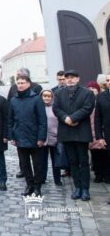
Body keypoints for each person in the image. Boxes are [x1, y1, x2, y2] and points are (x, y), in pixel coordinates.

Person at [53, 70, 94, 201]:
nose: (69, 80)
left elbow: (88, 108)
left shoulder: (87, 92)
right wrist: (65, 118)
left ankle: (85, 189)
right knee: (72, 162)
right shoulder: (59, 93)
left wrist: (73, 118)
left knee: (83, 161)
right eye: (67, 78)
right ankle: (77, 188)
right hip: (66, 131)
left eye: (72, 77)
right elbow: (56, 108)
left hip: (81, 130)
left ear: (78, 79)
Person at [9, 75, 47, 196]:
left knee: (38, 164)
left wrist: (41, 138)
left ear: (29, 84)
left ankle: (37, 187)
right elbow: (10, 120)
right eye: (18, 83)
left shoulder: (36, 99)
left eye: (22, 83)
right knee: (25, 165)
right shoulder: (13, 100)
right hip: (20, 138)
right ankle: (29, 185)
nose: (20, 85)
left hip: (35, 138)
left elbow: (42, 120)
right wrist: (12, 137)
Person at [39, 90, 63, 186]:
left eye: (49, 96)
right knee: (42, 161)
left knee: (56, 161)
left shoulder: (56, 108)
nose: (47, 98)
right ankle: (42, 178)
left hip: (55, 138)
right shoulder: (39, 107)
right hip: (42, 139)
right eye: (44, 96)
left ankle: (57, 179)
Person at [86, 82, 109, 183]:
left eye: (93, 88)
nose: (91, 89)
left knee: (105, 154)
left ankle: (106, 173)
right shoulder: (87, 101)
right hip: (91, 131)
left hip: (102, 131)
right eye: (89, 88)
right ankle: (98, 174)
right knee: (95, 155)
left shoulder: (101, 98)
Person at [94, 74, 110, 204]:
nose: (109, 82)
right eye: (108, 80)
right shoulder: (101, 97)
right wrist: (99, 137)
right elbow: (97, 119)